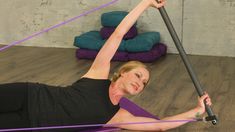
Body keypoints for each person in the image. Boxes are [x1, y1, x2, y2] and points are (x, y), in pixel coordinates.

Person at [0, 0, 212, 131]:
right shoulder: (97, 75)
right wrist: (146, 3)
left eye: (145, 83)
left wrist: (197, 110)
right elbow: (118, 34)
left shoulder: (116, 116)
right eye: (138, 75)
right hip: (29, 94)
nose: (141, 83)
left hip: (30, 123)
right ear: (122, 72)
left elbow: (159, 125)